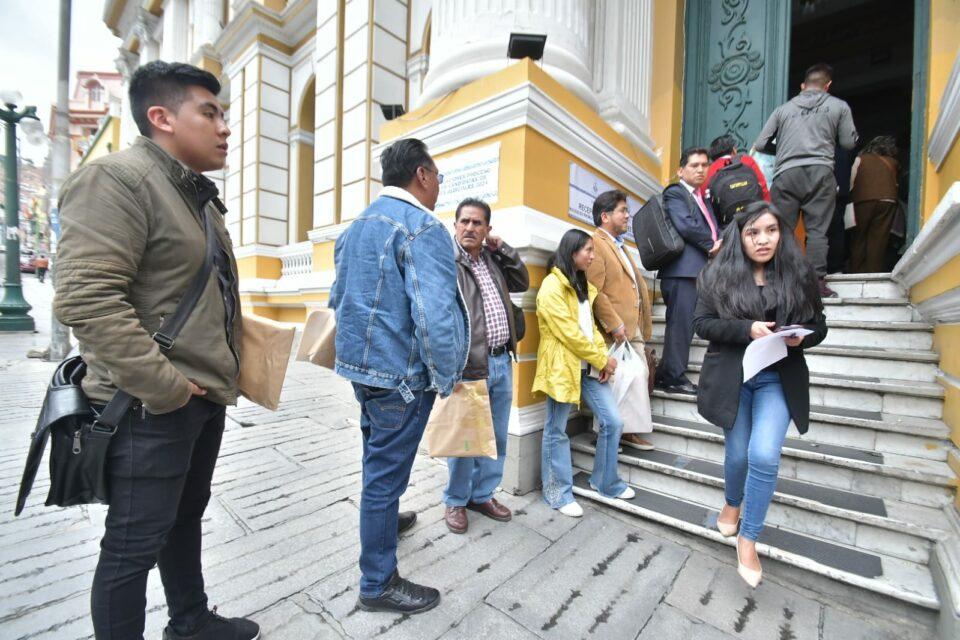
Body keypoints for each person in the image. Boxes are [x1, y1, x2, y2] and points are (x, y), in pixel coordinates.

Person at [53, 61, 256, 639]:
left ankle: (188, 621)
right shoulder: (116, 181)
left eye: (225, 114)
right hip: (146, 403)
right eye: (210, 113)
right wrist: (166, 388)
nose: (225, 128)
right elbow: (87, 300)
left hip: (200, 396)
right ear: (161, 117)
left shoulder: (199, 199)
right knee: (132, 544)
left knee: (183, 518)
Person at [329, 137, 468, 614]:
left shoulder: (356, 227)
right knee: (385, 475)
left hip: (362, 369)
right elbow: (434, 314)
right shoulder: (422, 227)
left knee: (379, 459)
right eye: (438, 179)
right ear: (423, 175)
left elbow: (336, 299)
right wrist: (446, 376)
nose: (438, 189)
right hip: (400, 375)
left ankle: (384, 520)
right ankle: (377, 583)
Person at [693, 201, 827, 588]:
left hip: (777, 380)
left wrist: (805, 336)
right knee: (737, 455)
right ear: (741, 236)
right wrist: (746, 329)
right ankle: (732, 502)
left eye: (770, 230)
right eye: (753, 232)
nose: (763, 239)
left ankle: (749, 538)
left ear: (780, 233)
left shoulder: (798, 274)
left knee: (763, 455)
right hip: (735, 379)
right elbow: (702, 324)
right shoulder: (719, 274)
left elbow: (820, 325)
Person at [533, 228, 635, 518]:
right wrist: (602, 361)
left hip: (587, 366)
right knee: (556, 430)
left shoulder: (582, 286)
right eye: (588, 250)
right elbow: (570, 334)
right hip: (562, 367)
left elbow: (589, 332)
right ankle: (557, 492)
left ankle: (606, 482)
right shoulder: (552, 287)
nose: (593, 255)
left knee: (612, 422)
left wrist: (600, 360)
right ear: (572, 251)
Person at [443, 198, 529, 533]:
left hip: (501, 361)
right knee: (466, 440)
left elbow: (521, 281)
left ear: (487, 230)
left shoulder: (494, 259)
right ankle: (455, 499)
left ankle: (482, 494)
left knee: (496, 437)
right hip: (468, 365)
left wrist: (503, 248)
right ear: (455, 226)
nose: (469, 228)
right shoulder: (448, 262)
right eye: (464, 221)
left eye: (477, 223)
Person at [752, 63, 858, 297]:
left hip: (786, 174)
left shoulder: (783, 109)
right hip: (820, 171)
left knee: (781, 229)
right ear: (827, 85)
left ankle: (777, 280)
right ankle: (815, 284)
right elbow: (849, 143)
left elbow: (760, 144)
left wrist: (781, 152)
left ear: (803, 86)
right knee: (818, 231)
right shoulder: (838, 106)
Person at [585, 189, 655, 451]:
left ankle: (628, 431)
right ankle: (608, 433)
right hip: (614, 329)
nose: (628, 215)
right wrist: (613, 324)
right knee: (615, 380)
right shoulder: (597, 243)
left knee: (637, 378)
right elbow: (595, 290)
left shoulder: (619, 244)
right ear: (605, 216)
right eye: (623, 211)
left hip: (631, 326)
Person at [654, 147, 721, 395]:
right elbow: (686, 225)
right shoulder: (676, 192)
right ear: (681, 170)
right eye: (694, 165)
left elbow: (710, 226)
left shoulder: (702, 198)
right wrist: (711, 245)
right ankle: (672, 377)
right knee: (680, 324)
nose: (701, 169)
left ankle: (667, 372)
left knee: (686, 324)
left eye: (705, 165)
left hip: (696, 271)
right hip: (682, 272)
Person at [850, 135, 900, 273]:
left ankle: (856, 271)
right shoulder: (893, 162)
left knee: (859, 235)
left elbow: (851, 180)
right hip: (888, 200)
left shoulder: (860, 159)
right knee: (879, 238)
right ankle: (873, 272)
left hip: (863, 200)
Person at [702, 134, 770, 227]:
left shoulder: (710, 170)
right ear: (734, 150)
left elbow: (705, 201)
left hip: (727, 225)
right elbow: (763, 188)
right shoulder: (747, 161)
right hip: (754, 218)